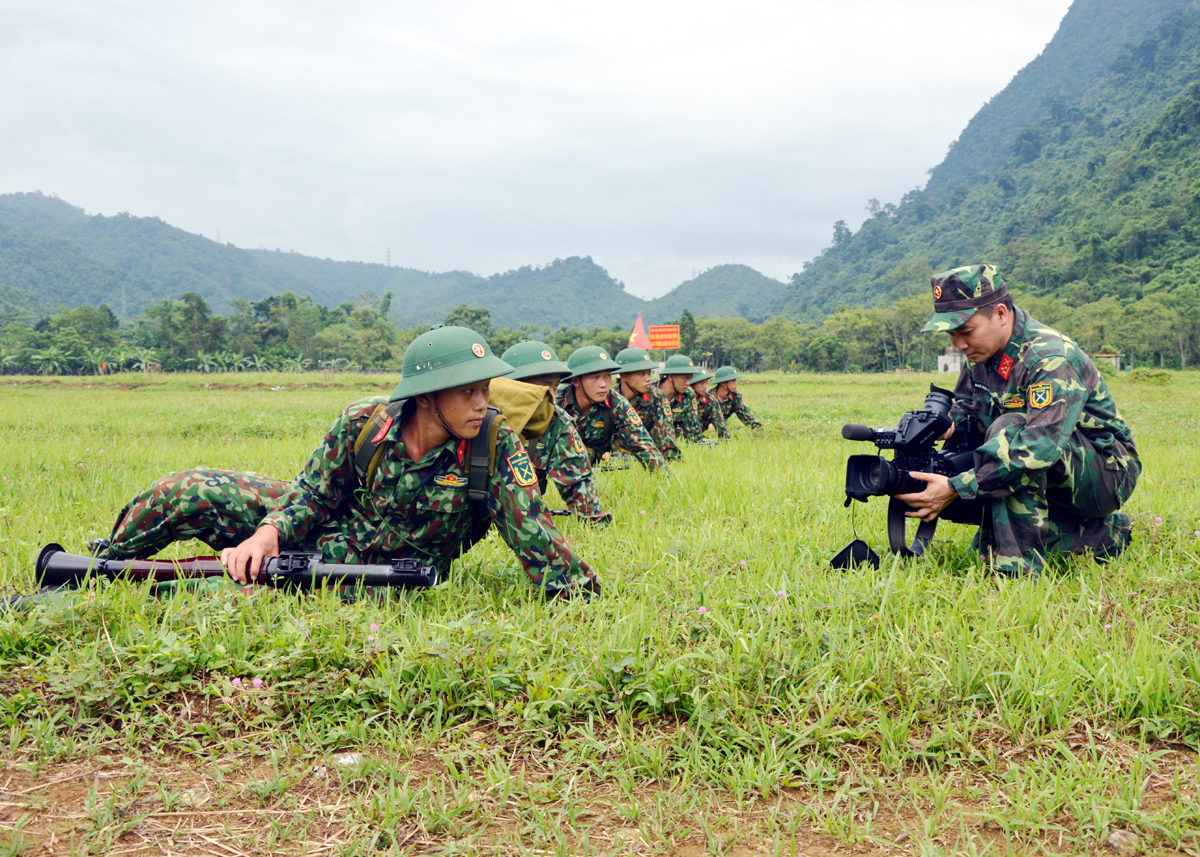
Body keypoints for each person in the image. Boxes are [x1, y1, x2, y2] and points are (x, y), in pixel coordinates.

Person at [88, 326, 600, 597]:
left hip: (379, 571)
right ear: (425, 396)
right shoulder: (365, 424)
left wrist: (576, 593)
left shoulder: (493, 445)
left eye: (485, 389)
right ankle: (96, 567)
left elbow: (537, 535)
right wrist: (269, 532)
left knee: (220, 594)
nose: (481, 403)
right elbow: (312, 494)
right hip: (320, 528)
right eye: (467, 391)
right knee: (189, 488)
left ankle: (127, 588)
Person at [894, 264, 1139, 576]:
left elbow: (1040, 447)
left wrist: (957, 487)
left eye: (966, 332)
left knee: (1009, 431)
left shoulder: (1050, 357)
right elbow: (970, 409)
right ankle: (1099, 535)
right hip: (1048, 462)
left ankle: (1016, 569)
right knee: (978, 451)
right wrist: (946, 427)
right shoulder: (980, 356)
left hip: (1105, 472)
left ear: (1000, 313)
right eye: (952, 335)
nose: (960, 345)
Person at [500, 340, 610, 524]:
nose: (550, 396)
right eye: (543, 387)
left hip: (520, 516)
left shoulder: (557, 420)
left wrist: (597, 527)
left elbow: (578, 480)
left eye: (555, 387)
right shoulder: (477, 416)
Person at [555, 346, 667, 471]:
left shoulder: (617, 403)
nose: (603, 384)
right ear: (576, 381)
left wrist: (664, 478)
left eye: (607, 376)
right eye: (595, 377)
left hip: (595, 459)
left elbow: (642, 443)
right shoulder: (557, 399)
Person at [612, 346, 681, 461]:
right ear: (624, 376)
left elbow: (665, 439)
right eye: (641, 374)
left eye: (649, 373)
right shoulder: (610, 398)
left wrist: (669, 460)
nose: (648, 378)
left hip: (644, 455)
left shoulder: (657, 397)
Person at [657, 354, 704, 443]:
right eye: (684, 378)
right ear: (670, 377)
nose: (688, 383)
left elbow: (693, 430)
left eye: (690, 378)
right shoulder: (650, 392)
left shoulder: (688, 395)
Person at [690, 369, 730, 439]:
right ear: (692, 383)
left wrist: (727, 440)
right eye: (702, 383)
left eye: (706, 382)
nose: (705, 386)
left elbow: (720, 424)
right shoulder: (681, 399)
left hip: (697, 436)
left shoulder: (711, 400)